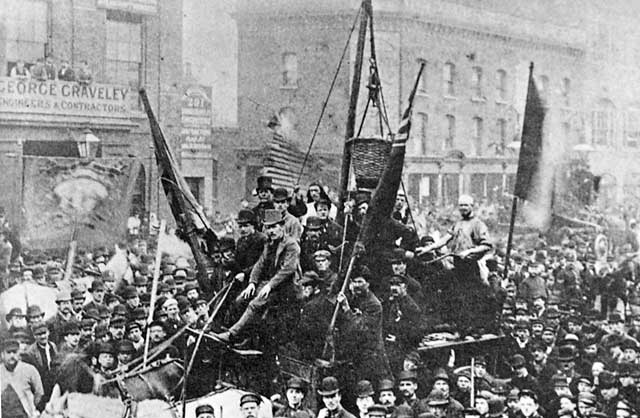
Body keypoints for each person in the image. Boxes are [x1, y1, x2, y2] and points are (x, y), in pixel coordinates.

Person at [215, 209, 300, 343]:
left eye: (274, 227)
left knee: (255, 304)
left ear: (282, 226)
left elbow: (288, 269)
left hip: (286, 288)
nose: (271, 231)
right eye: (268, 227)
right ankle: (242, 338)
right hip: (270, 286)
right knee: (241, 299)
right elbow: (260, 264)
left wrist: (270, 285)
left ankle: (232, 334)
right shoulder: (270, 244)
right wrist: (252, 283)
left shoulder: (291, 245)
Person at [416, 194, 494, 334]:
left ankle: (474, 329)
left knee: (472, 296)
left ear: (472, 206)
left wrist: (469, 252)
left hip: (470, 265)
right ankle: (459, 327)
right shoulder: (457, 224)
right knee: (457, 295)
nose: (463, 208)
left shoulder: (478, 224)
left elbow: (487, 245)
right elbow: (444, 239)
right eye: (461, 205)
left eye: (466, 205)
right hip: (458, 264)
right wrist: (427, 248)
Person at [1, 339, 44, 418]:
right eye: (8, 352)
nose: (12, 356)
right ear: (2, 354)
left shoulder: (29, 369)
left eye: (14, 352)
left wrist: (30, 406)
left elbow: (39, 392)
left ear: (19, 353)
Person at [23, 323, 57, 410]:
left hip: (54, 385)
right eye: (39, 334)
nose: (42, 336)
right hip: (41, 387)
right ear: (34, 336)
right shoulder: (30, 353)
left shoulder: (53, 346)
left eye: (44, 333)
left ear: (48, 332)